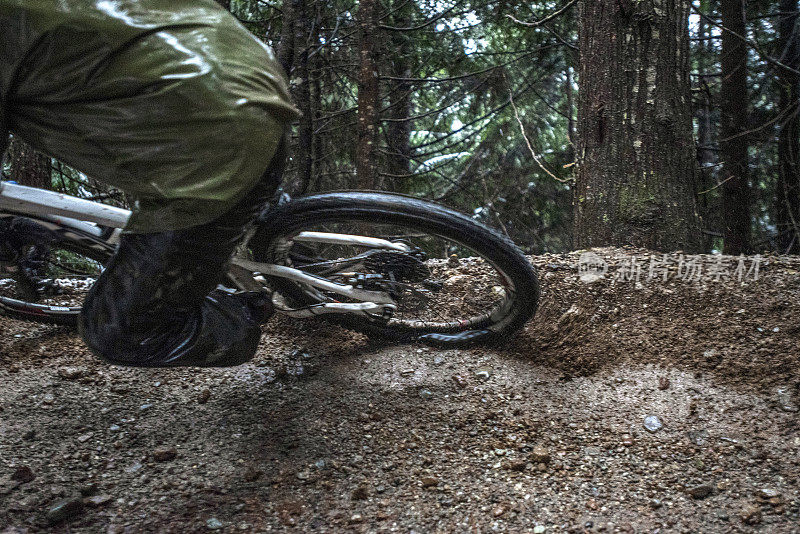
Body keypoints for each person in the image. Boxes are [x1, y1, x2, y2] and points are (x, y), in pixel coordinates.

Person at [0, 0, 299, 366]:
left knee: (123, 336)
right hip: (246, 69)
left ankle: (252, 308)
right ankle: (269, 223)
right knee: (233, 199)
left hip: (213, 130)